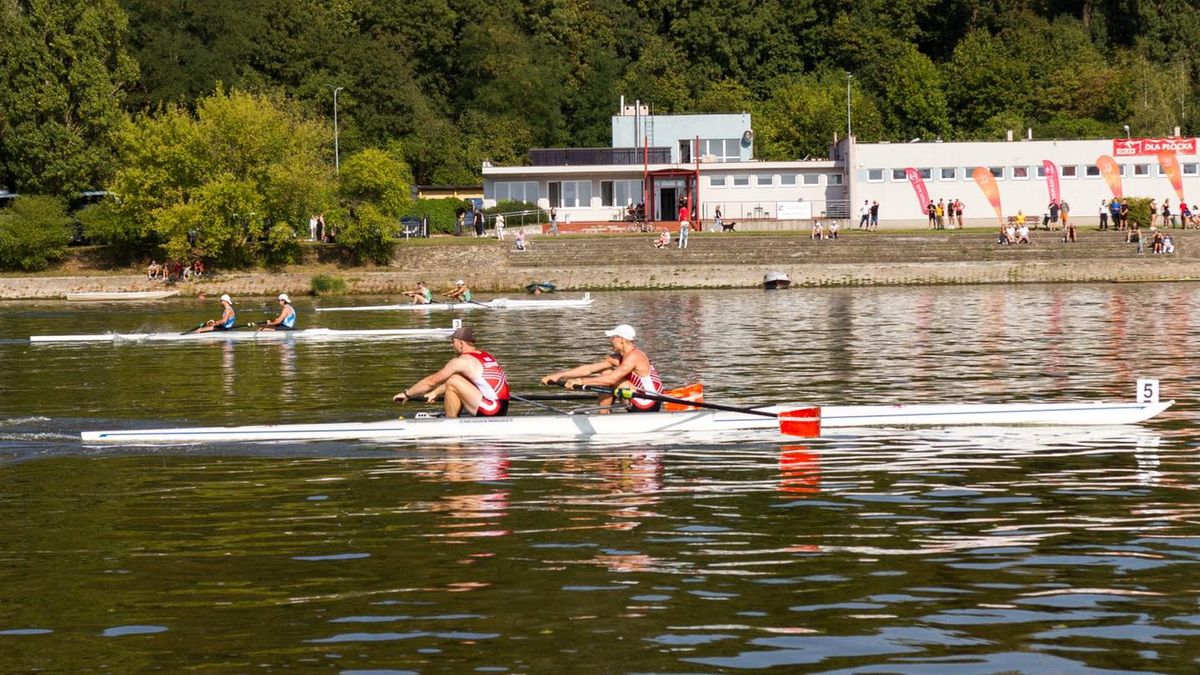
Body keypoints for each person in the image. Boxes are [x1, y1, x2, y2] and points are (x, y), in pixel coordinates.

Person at [393, 325, 510, 418]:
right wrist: (436, 392)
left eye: (452, 341)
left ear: (461, 343)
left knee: (453, 380)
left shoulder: (462, 361)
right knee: (454, 380)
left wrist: (407, 394)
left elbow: (430, 382)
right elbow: (463, 382)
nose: (451, 345)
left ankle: (451, 423)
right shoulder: (485, 356)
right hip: (502, 408)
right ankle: (452, 419)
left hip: (491, 410)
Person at [541, 324, 663, 413]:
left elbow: (611, 379)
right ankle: (604, 413)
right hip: (636, 398)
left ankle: (603, 416)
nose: (610, 341)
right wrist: (558, 376)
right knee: (605, 371)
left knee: (608, 377)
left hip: (648, 402)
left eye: (612, 337)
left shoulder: (635, 356)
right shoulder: (617, 358)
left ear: (621, 340)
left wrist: (580, 381)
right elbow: (588, 369)